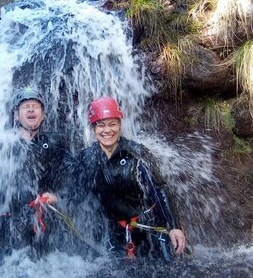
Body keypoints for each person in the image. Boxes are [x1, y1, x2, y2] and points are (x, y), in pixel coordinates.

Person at [77, 96, 187, 260]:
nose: (107, 130)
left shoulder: (137, 153)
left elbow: (159, 189)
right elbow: (76, 191)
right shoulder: (86, 158)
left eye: (112, 124)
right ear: (94, 128)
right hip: (115, 234)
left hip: (149, 230)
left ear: (120, 125)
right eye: (101, 125)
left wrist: (174, 227)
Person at [0, 86, 76, 256]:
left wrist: (57, 196)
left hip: (44, 222)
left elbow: (75, 178)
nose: (30, 109)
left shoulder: (54, 143)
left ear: (43, 115)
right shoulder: (3, 145)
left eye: (35, 106)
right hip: (8, 223)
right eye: (25, 106)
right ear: (16, 114)